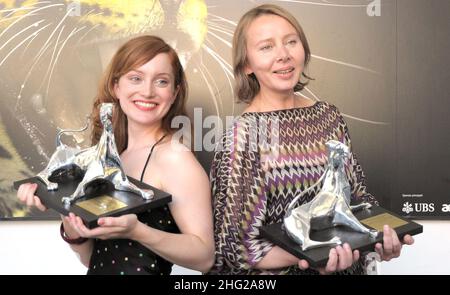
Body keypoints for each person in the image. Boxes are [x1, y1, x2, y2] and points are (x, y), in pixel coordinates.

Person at [208, 4, 414, 275]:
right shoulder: (243, 138)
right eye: (266, 47)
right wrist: (316, 256)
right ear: (246, 63)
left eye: (291, 42)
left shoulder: (329, 116)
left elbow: (358, 198)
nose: (283, 55)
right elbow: (236, 250)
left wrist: (380, 239)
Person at [17, 35, 214, 275]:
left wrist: (137, 231)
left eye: (161, 81)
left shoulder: (175, 159)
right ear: (116, 86)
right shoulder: (115, 155)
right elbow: (95, 259)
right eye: (135, 78)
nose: (147, 91)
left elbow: (204, 257)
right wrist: (66, 215)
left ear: (174, 93)